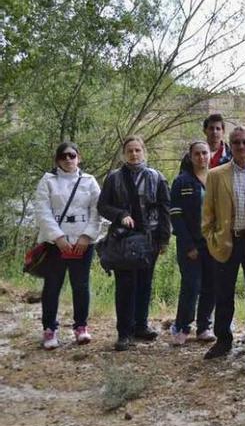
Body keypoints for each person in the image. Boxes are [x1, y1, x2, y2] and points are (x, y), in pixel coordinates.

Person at [98, 135, 171, 352]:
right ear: (124, 153)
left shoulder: (156, 177)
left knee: (145, 283)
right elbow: (102, 206)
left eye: (138, 150)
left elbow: (165, 209)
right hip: (124, 239)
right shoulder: (114, 178)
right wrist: (120, 214)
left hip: (150, 238)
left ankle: (141, 325)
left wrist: (164, 239)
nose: (134, 154)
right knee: (125, 285)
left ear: (144, 151)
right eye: (130, 150)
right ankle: (124, 332)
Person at [202, 126, 245, 359]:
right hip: (227, 240)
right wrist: (212, 239)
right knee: (223, 293)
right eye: (237, 142)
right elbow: (208, 212)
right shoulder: (216, 174)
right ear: (231, 145)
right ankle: (223, 340)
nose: (242, 146)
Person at [34, 142, 102, 349]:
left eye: (72, 155)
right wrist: (58, 237)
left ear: (78, 158)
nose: (68, 159)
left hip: (82, 241)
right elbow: (42, 211)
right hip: (56, 243)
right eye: (63, 156)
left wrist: (87, 236)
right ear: (57, 160)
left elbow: (97, 211)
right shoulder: (47, 181)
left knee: (80, 286)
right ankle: (49, 329)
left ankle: (81, 327)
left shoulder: (89, 182)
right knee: (52, 286)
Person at [169, 141, 216, 345]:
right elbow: (176, 216)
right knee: (191, 285)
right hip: (190, 245)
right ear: (190, 156)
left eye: (204, 153)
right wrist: (189, 245)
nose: (201, 157)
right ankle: (182, 326)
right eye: (197, 154)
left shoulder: (216, 178)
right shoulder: (182, 181)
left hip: (213, 243)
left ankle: (204, 327)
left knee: (210, 285)